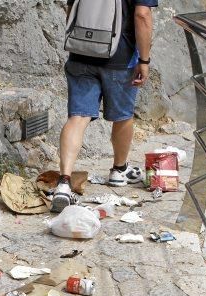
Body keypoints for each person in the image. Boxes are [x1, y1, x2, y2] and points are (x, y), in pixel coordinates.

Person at [51, 0, 159, 213]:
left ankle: (64, 183)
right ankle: (119, 170)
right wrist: (144, 61)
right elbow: (142, 15)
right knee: (123, 116)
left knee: (78, 116)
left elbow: (72, 6)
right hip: (120, 58)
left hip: (81, 52)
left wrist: (83, 41)